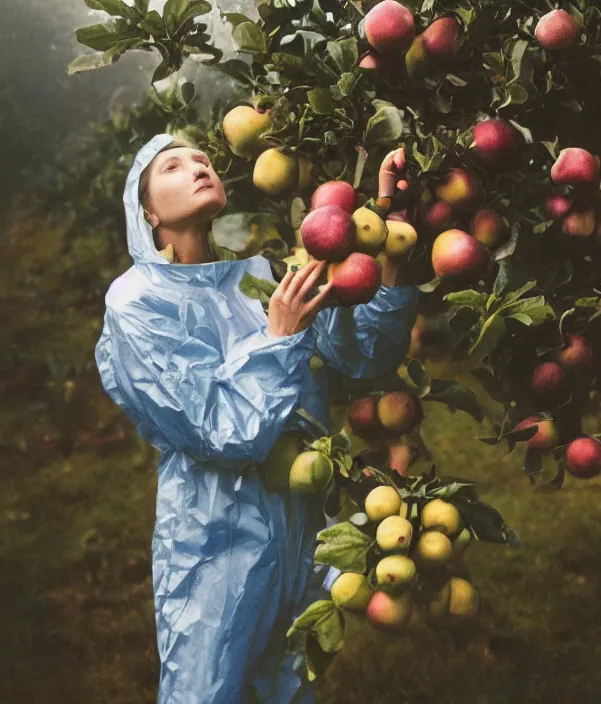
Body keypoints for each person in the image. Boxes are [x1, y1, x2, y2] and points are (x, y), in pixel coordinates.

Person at [95, 131, 418, 704]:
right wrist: (278, 338)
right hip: (216, 535)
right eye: (172, 166)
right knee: (207, 689)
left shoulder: (263, 280)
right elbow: (219, 432)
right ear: (145, 211)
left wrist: (389, 235)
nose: (197, 166)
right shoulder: (137, 302)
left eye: (203, 160)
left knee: (286, 686)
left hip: (300, 522)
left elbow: (363, 358)